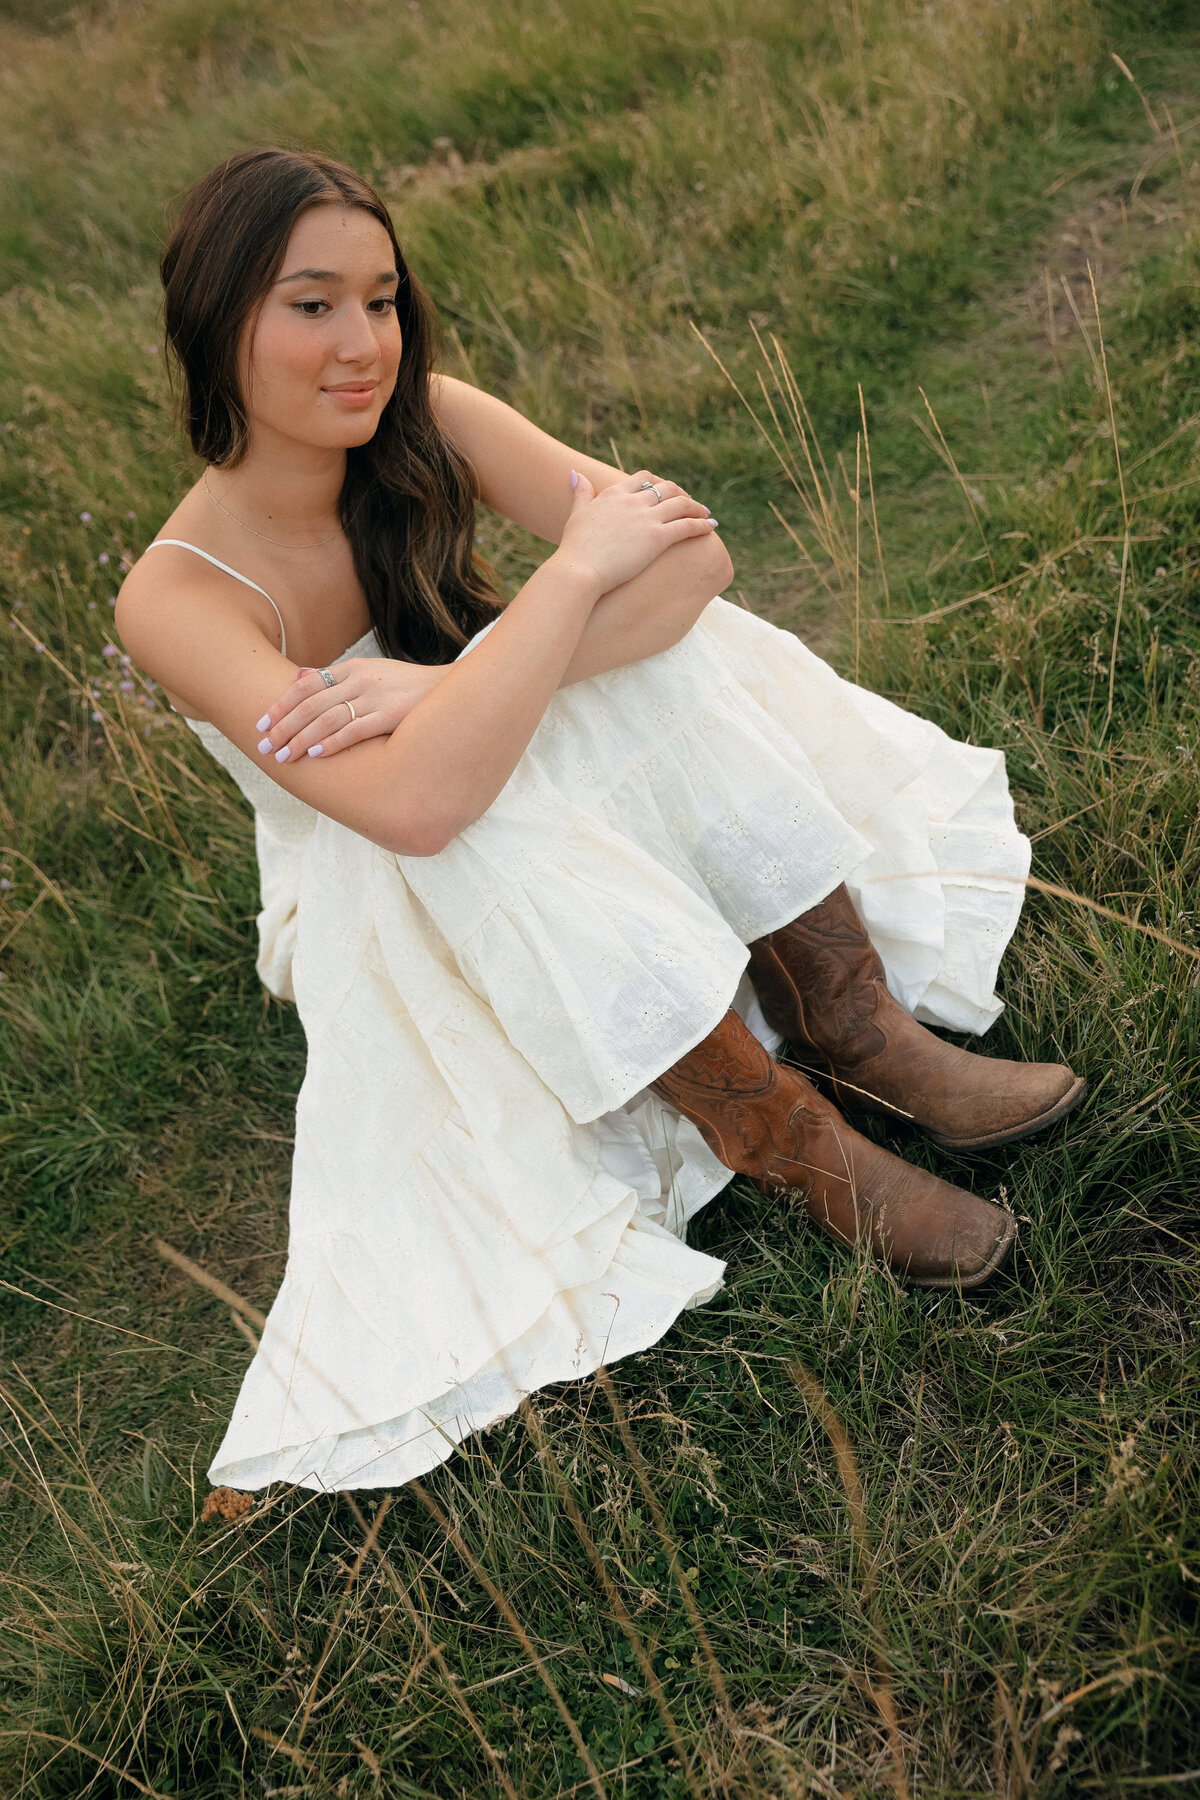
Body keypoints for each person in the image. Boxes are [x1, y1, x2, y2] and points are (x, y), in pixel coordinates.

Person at [116, 147, 1085, 1495]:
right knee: (497, 792)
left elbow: (693, 560)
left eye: (383, 299)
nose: (364, 345)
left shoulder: (428, 415)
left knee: (658, 652)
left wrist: (468, 667)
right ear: (218, 320)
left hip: (465, 754)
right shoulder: (175, 596)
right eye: (312, 304)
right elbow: (414, 801)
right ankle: (797, 1147)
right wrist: (567, 579)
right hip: (383, 869)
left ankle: (849, 1023)